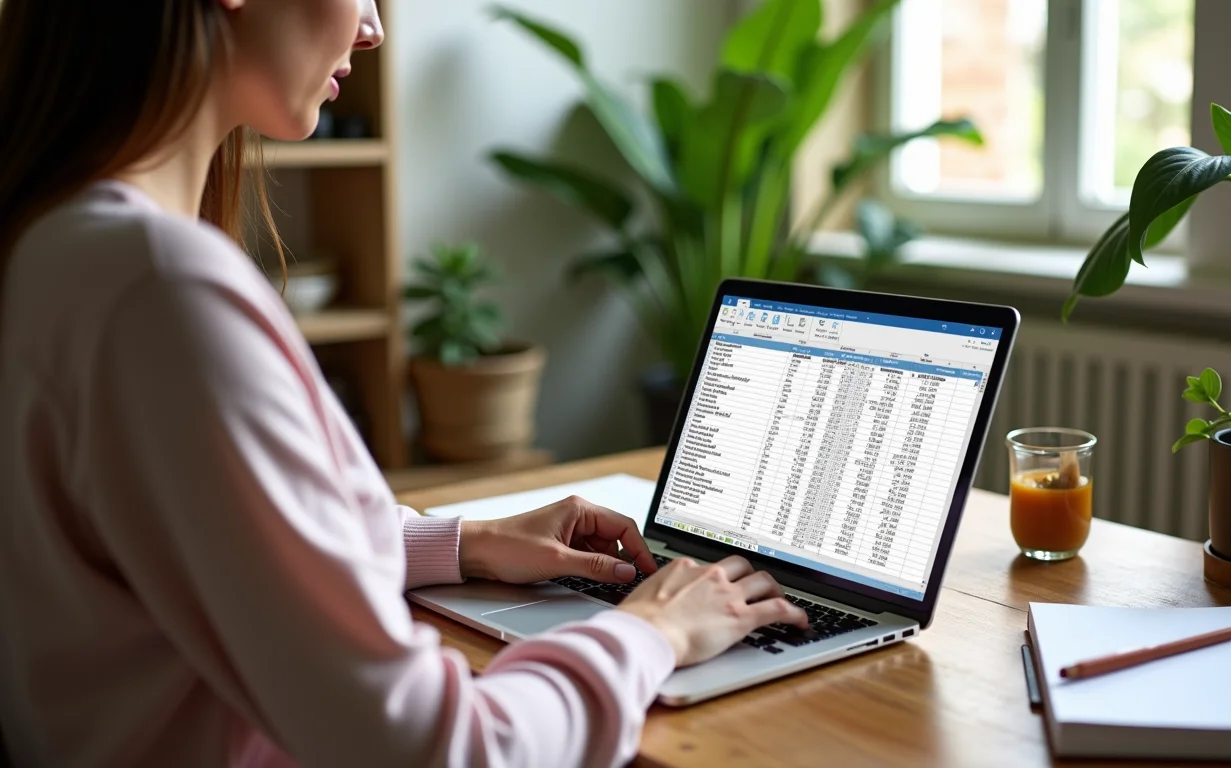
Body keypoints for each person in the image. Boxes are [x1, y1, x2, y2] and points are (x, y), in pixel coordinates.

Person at [0, 1, 810, 766]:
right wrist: (654, 633)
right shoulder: (161, 292)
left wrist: (460, 544)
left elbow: (198, 542)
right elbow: (439, 747)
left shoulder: (57, 248)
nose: (374, 27)